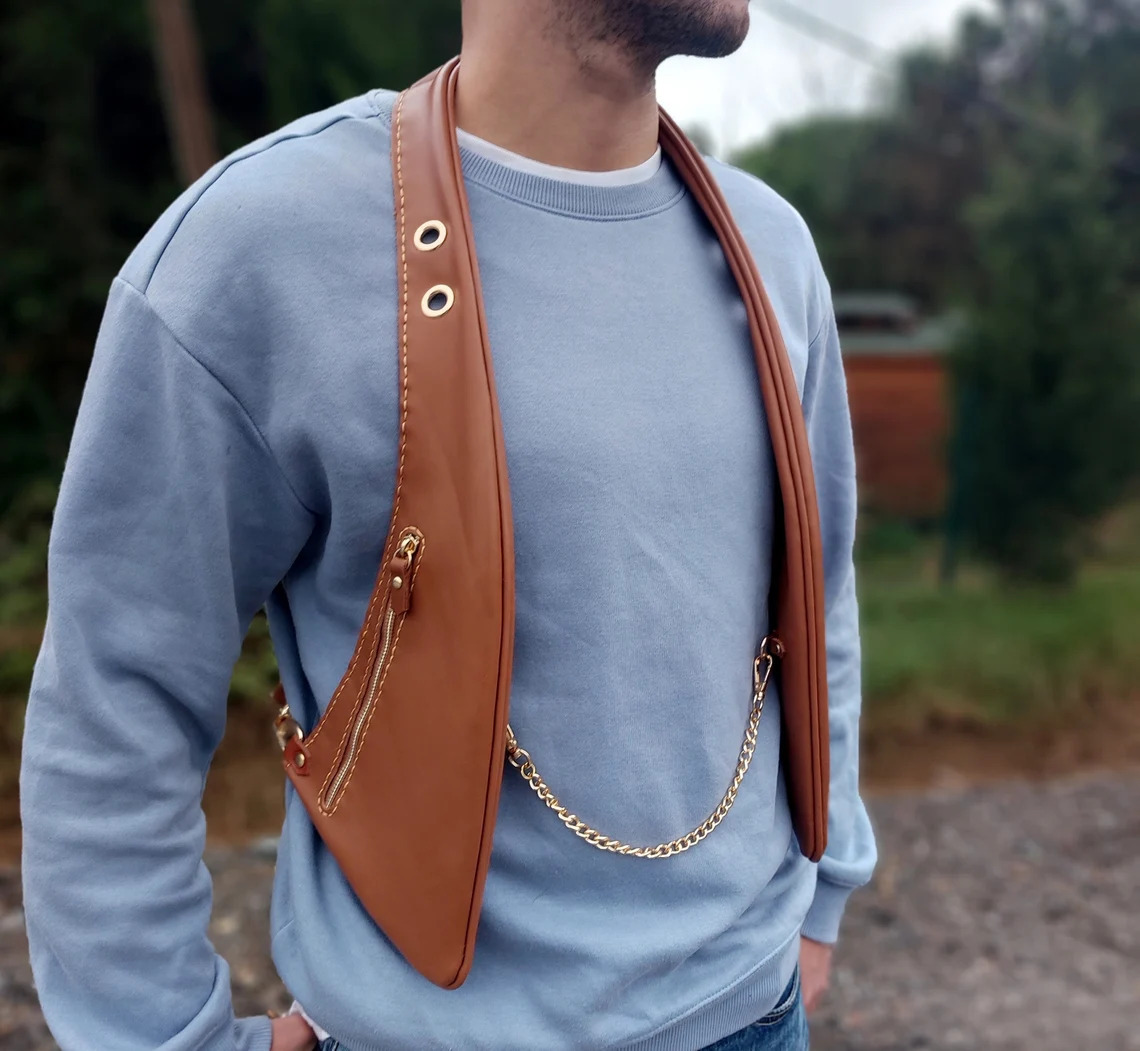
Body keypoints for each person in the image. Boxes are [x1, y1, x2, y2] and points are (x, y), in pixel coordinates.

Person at [20, 1, 877, 1048]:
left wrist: (824, 886)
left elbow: (816, 592)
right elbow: (115, 691)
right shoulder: (262, 242)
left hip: (757, 1015)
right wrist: (162, 1036)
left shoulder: (771, 247)